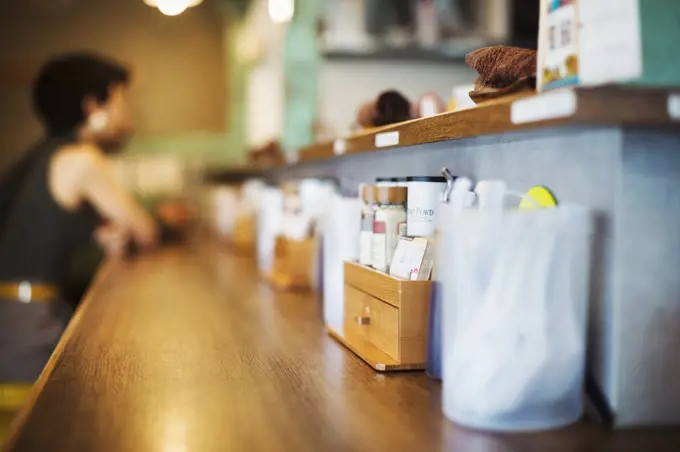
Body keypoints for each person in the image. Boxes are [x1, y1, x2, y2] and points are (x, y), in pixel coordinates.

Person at [0, 52, 158, 382]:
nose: (127, 116)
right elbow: (145, 231)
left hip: (17, 319)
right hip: (28, 325)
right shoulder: (80, 157)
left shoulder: (40, 157)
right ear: (92, 106)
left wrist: (99, 234)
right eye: (120, 101)